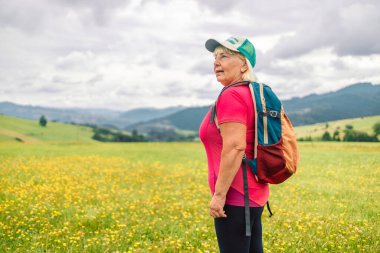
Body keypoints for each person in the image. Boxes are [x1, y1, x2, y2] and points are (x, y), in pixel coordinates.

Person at [199, 37, 269, 253]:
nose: (216, 62)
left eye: (225, 56)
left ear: (243, 64)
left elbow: (235, 147)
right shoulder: (251, 93)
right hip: (253, 194)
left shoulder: (232, 96)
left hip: (236, 197)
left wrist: (219, 196)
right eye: (215, 57)